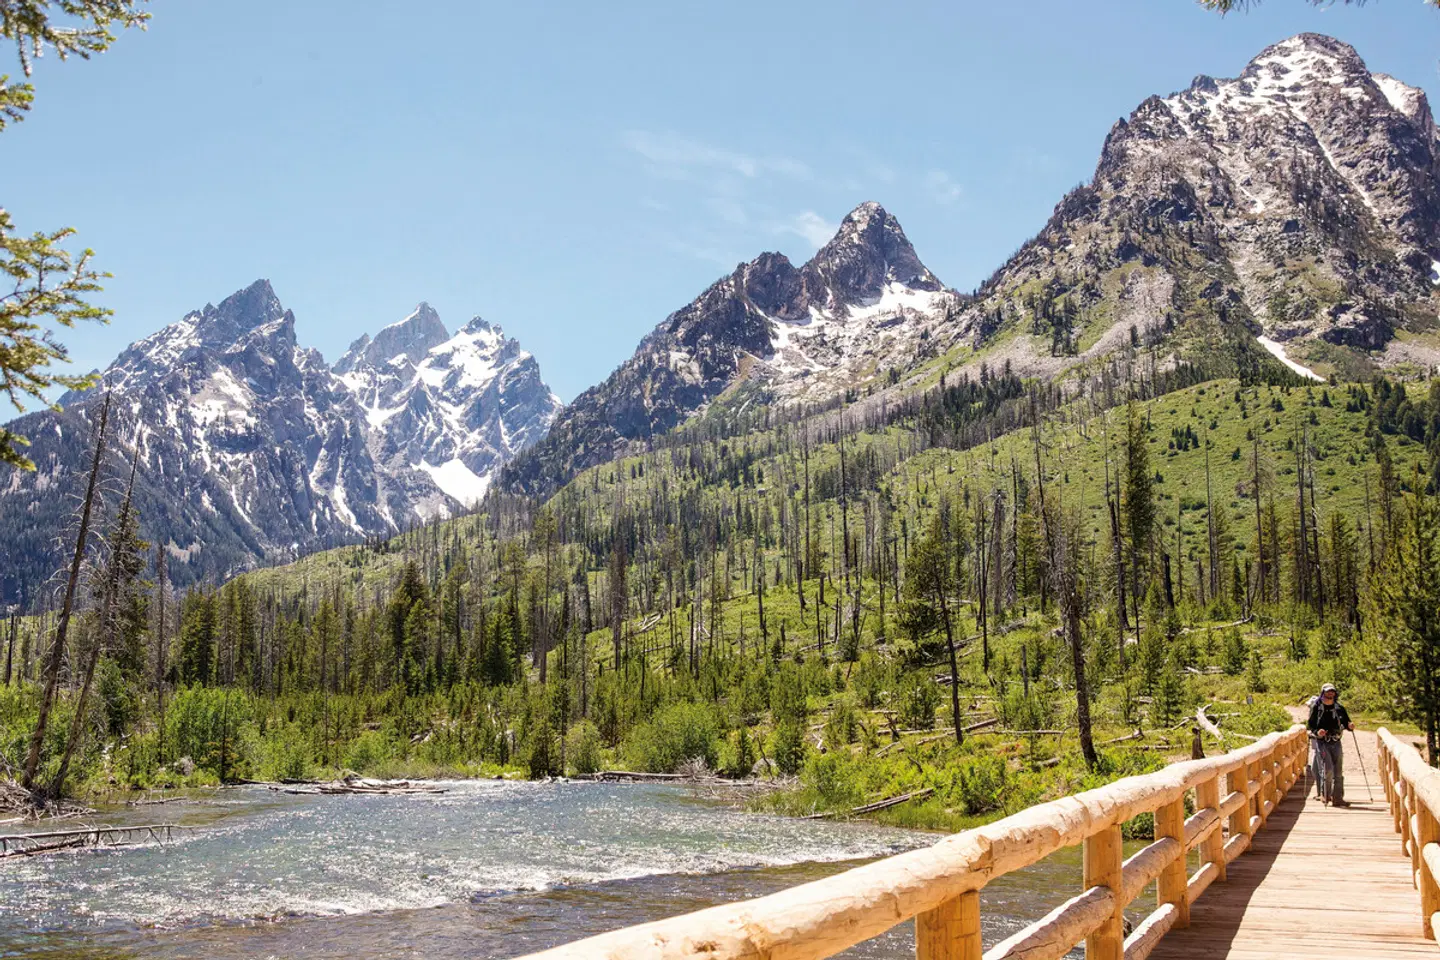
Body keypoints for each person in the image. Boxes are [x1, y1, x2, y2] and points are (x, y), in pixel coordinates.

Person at [1307, 683, 1354, 806]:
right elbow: (1311, 725)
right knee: (1327, 769)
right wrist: (1318, 732)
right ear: (1323, 692)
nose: (1330, 693)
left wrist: (1349, 726)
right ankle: (1326, 795)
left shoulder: (1339, 707)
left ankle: (1338, 798)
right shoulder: (1317, 707)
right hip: (1322, 742)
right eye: (1328, 691)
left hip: (1336, 741)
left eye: (1332, 691)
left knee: (1338, 771)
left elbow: (1346, 722)